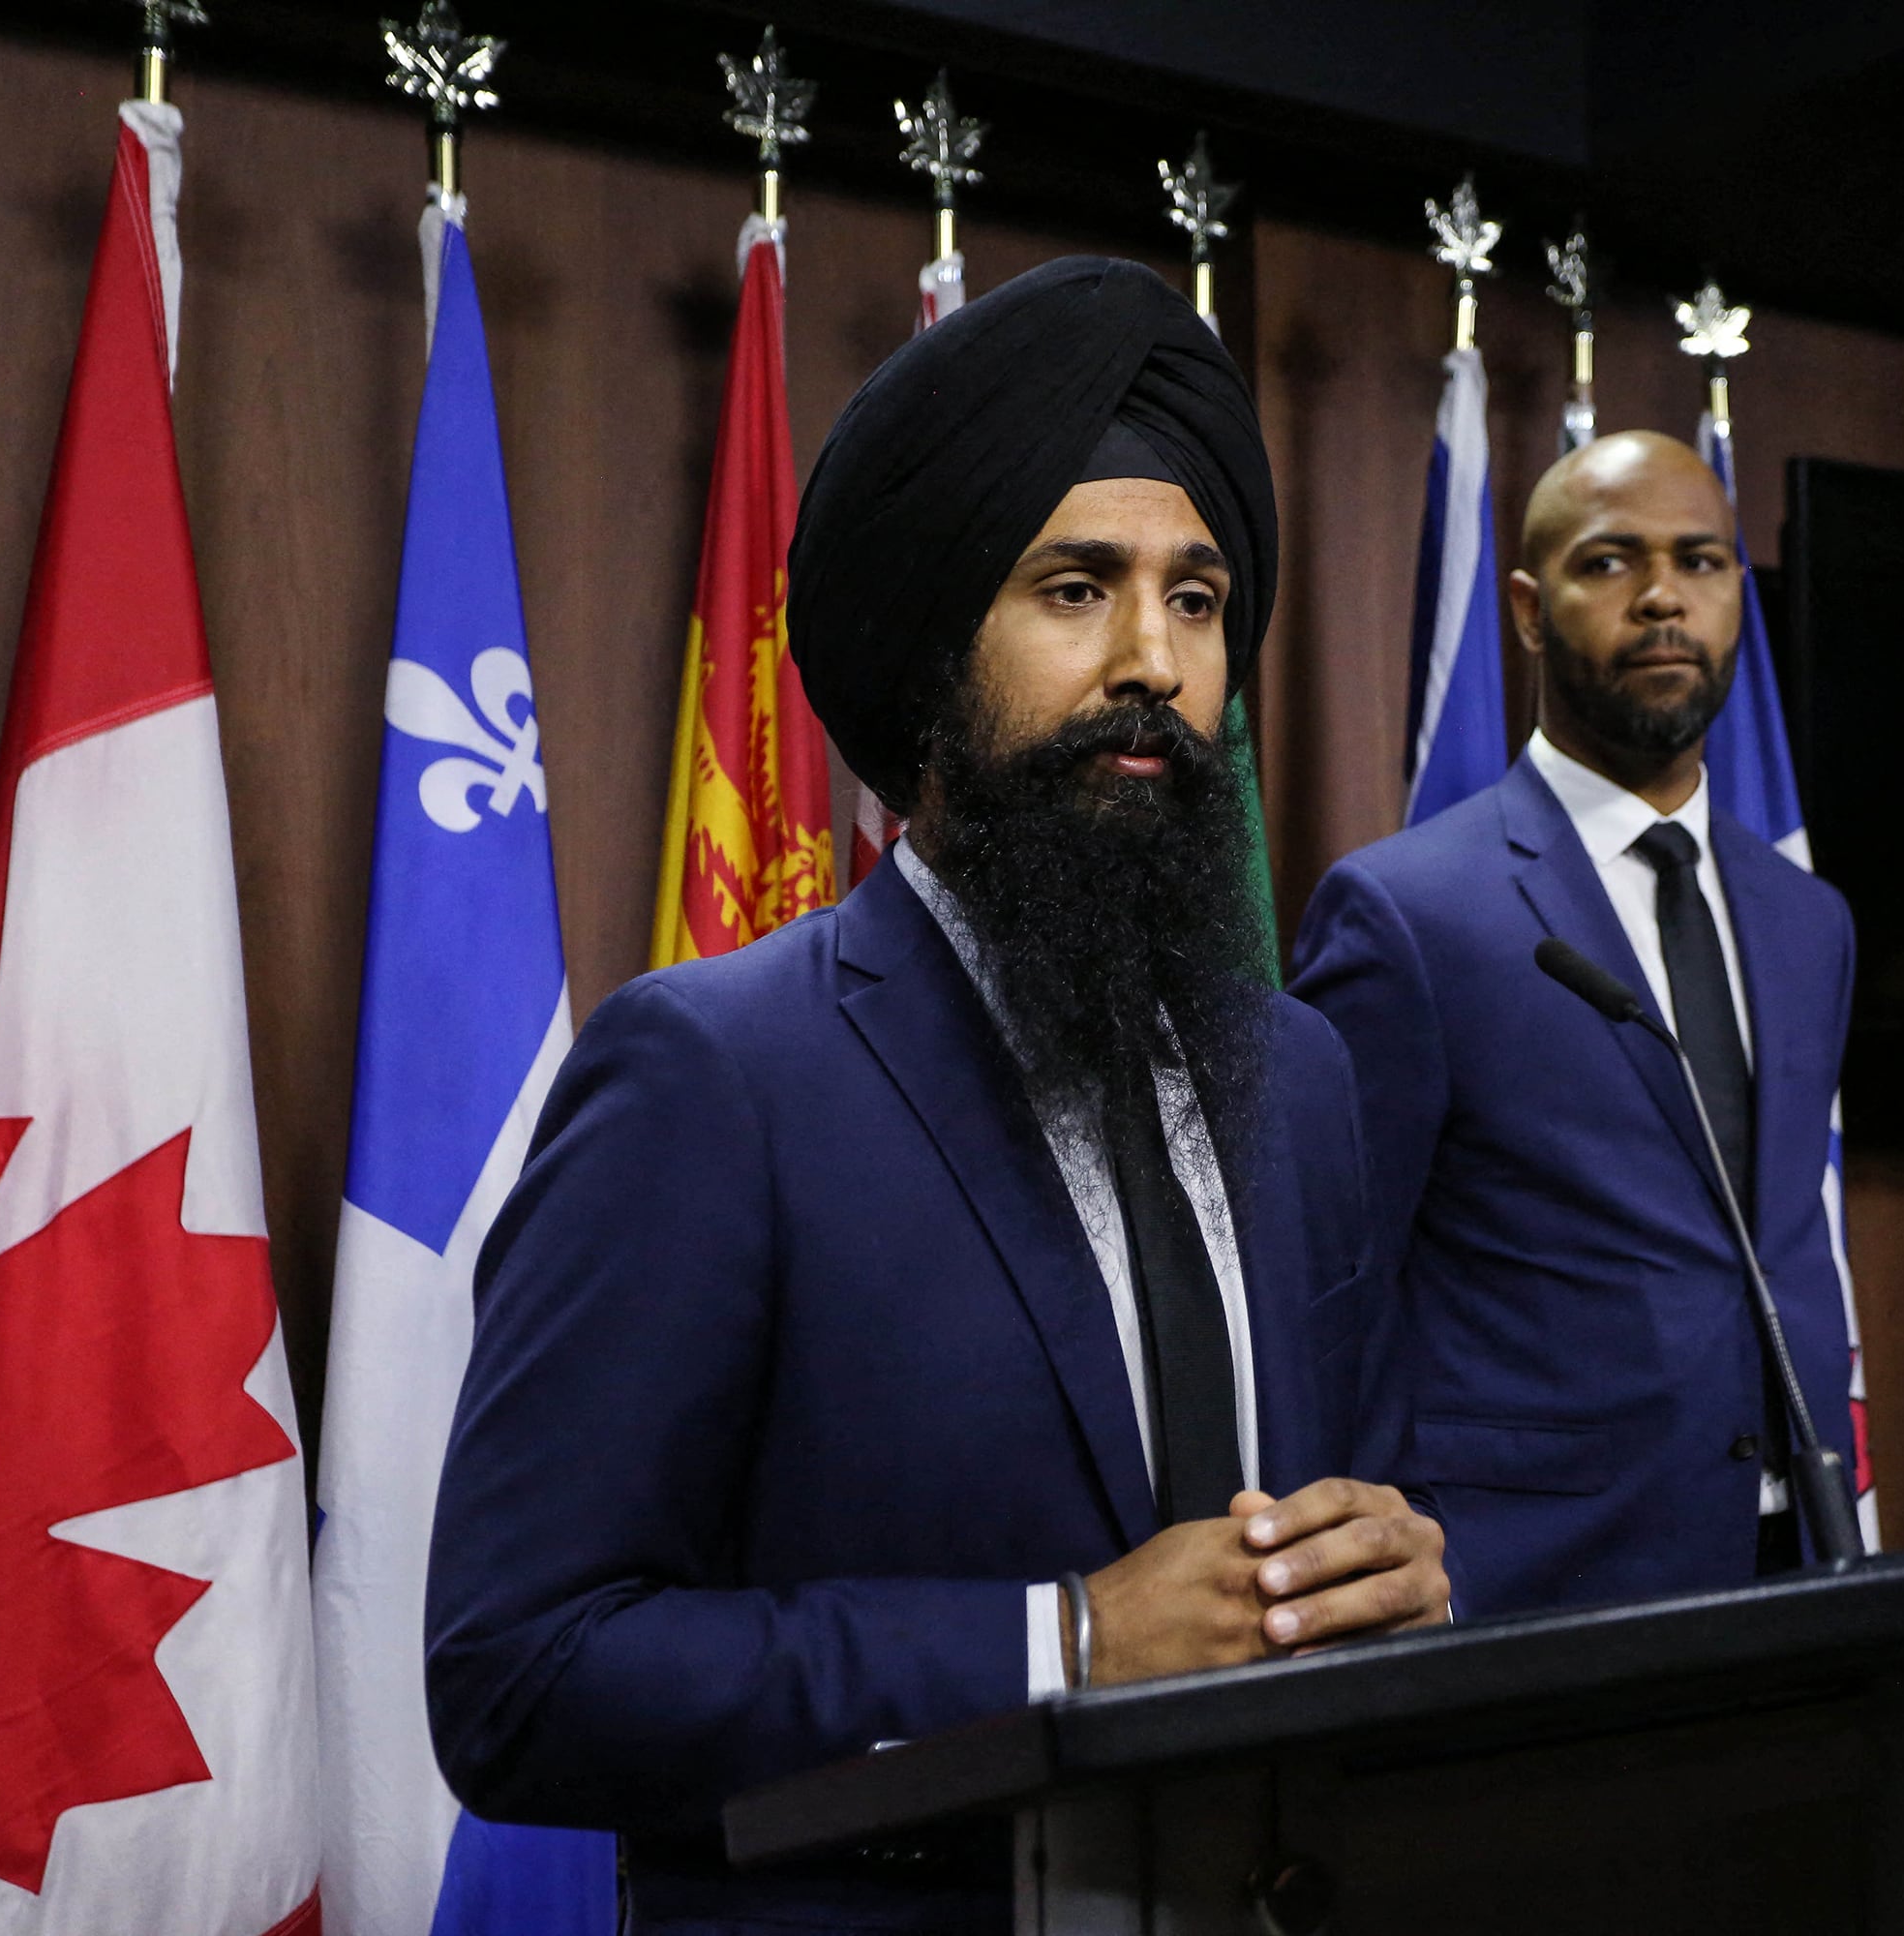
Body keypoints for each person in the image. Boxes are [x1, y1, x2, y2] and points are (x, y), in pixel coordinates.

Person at [425, 257, 1446, 1935]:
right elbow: (524, 1676)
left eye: (1198, 600)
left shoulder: (1304, 1073)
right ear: (929, 652)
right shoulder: (712, 1076)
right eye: (1074, 588)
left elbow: (1357, 1506)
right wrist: (1063, 1646)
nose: (1153, 662)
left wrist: (1402, 1569)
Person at [1289, 429, 1859, 1616]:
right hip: (1529, 1589)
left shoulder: (1811, 921)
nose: (1663, 596)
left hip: (1798, 1561)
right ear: (1529, 608)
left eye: (1701, 562)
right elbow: (1327, 1282)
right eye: (1611, 563)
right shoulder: (1407, 911)